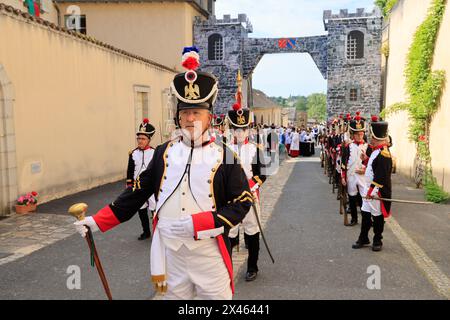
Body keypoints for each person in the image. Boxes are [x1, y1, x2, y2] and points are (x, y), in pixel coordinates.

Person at [74, 46, 252, 299]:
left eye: (197, 113)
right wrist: (98, 221)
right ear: (178, 118)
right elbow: (138, 191)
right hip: (171, 255)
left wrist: (200, 223)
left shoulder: (227, 156)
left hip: (208, 255)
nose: (191, 119)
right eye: (185, 113)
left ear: (209, 117)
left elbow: (242, 202)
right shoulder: (162, 153)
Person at [226, 97, 269, 282]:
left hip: (250, 195)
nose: (240, 132)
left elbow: (262, 174)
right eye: (237, 129)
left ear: (248, 129)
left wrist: (251, 186)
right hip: (230, 198)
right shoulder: (224, 149)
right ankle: (226, 265)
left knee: (252, 231)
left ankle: (252, 266)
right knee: (229, 231)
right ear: (232, 130)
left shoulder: (255, 149)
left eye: (243, 129)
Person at [352, 115, 392, 252]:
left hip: (377, 191)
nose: (370, 140)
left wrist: (371, 192)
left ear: (377, 138)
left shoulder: (384, 154)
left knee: (377, 215)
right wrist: (366, 159)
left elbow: (381, 178)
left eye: (372, 138)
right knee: (365, 213)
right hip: (369, 189)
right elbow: (372, 167)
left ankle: (377, 240)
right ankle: (364, 238)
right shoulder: (376, 152)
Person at [127, 118, 157, 240]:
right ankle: (146, 231)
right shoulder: (133, 153)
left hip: (151, 186)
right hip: (138, 186)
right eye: (138, 138)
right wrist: (130, 185)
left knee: (154, 210)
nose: (140, 141)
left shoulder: (155, 153)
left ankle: (157, 232)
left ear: (149, 140)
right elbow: (129, 171)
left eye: (143, 139)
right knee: (141, 210)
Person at [341, 112, 368, 226]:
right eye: (357, 134)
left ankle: (367, 220)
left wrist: (365, 169)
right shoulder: (348, 147)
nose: (359, 136)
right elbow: (343, 163)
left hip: (363, 176)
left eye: (361, 134)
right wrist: (343, 176)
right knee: (352, 197)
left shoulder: (368, 147)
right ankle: (354, 219)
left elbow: (371, 164)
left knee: (365, 198)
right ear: (352, 134)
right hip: (351, 175)